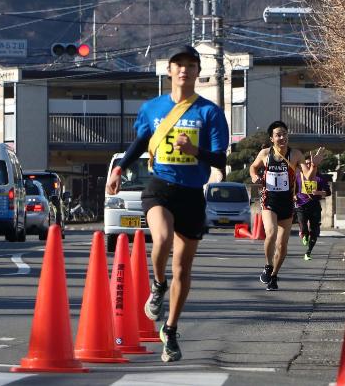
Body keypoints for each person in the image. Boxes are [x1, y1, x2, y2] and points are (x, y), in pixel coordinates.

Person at [105, 45, 229, 363]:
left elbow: (220, 158)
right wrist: (119, 168)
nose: (184, 70)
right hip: (159, 186)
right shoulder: (152, 107)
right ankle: (157, 285)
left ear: (198, 72)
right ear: (169, 71)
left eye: (191, 65)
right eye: (178, 65)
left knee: (183, 269)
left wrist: (195, 151)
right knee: (160, 238)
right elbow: (140, 142)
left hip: (191, 192)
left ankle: (170, 330)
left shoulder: (209, 112)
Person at [248, 121, 324, 291]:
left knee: (282, 245)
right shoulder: (265, 153)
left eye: (284, 134)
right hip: (269, 201)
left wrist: (315, 165)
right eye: (278, 135)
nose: (282, 137)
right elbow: (253, 167)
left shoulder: (296, 154)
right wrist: (254, 177)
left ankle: (274, 276)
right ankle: (268, 265)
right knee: (271, 233)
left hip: (287, 203)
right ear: (272, 138)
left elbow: (308, 177)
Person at [294, 153, 331, 260]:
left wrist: (319, 192)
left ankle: (308, 252)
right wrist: (294, 196)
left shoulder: (320, 178)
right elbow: (293, 190)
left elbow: (328, 192)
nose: (308, 166)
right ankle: (303, 233)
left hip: (314, 205)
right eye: (306, 164)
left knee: (314, 231)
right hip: (301, 205)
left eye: (311, 163)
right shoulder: (298, 177)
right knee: (304, 227)